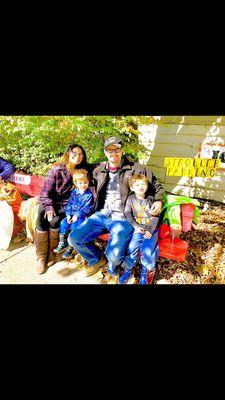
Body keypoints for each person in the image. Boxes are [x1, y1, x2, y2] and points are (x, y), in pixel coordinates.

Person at [68, 135, 165, 280]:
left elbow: (157, 188)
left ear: (122, 151)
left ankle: (112, 269)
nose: (113, 153)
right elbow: (77, 169)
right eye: (109, 150)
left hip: (123, 219)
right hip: (101, 215)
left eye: (116, 149)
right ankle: (97, 260)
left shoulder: (136, 169)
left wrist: (159, 201)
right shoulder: (98, 169)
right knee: (74, 238)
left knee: (113, 257)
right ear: (105, 152)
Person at [35, 143, 94, 274]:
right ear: (68, 153)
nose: (77, 156)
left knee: (55, 221)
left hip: (67, 207)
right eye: (74, 153)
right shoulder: (56, 170)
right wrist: (49, 206)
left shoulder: (82, 171)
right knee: (42, 214)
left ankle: (52, 253)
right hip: (51, 202)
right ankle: (41, 256)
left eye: (80, 154)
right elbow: (44, 194)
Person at [119, 174, 160, 285]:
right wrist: (136, 227)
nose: (141, 187)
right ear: (132, 188)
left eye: (143, 184)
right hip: (138, 229)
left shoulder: (151, 199)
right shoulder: (130, 199)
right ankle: (128, 269)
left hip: (152, 229)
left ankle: (146, 270)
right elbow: (128, 213)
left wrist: (150, 231)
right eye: (137, 185)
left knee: (147, 249)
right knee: (132, 247)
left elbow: (155, 216)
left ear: (147, 186)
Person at [53, 169, 94, 259]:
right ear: (76, 183)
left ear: (88, 182)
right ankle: (62, 242)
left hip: (81, 217)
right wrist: (68, 214)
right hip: (71, 215)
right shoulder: (74, 193)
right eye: (80, 183)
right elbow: (70, 204)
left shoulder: (89, 195)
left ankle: (70, 247)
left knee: (74, 228)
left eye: (85, 182)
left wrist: (77, 215)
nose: (83, 185)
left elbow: (87, 208)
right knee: (63, 223)